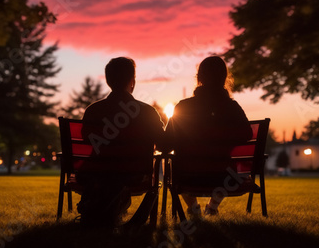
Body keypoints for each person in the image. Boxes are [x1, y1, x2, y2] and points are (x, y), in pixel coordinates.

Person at [78, 57, 165, 226]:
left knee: (110, 179)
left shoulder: (93, 110)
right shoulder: (147, 112)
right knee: (120, 179)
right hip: (134, 174)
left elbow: (86, 141)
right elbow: (164, 145)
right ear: (132, 81)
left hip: (96, 173)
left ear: (109, 81)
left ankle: (102, 208)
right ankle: (112, 208)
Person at [163, 56, 253, 216]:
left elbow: (166, 145)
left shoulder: (183, 107)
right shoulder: (232, 108)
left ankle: (193, 208)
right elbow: (247, 134)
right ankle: (212, 208)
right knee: (225, 166)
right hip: (224, 178)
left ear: (199, 78)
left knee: (173, 162)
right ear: (224, 79)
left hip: (187, 177)